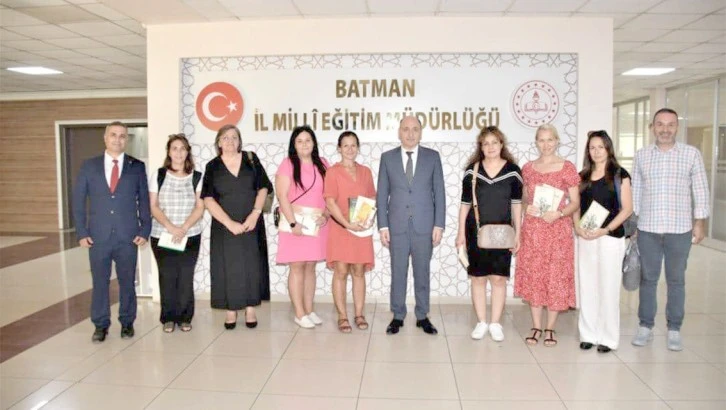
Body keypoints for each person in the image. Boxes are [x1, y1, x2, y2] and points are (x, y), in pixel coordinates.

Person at [631, 108, 710, 352]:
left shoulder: (691, 154)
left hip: (680, 229)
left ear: (677, 127)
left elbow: (700, 189)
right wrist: (634, 224)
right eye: (660, 124)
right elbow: (636, 191)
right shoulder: (642, 155)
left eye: (670, 124)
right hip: (648, 229)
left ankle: (674, 328)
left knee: (676, 280)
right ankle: (645, 326)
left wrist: (700, 222)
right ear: (652, 127)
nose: (665, 129)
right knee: (648, 279)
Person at [73, 121, 151, 343]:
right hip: (98, 236)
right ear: (105, 138)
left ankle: (127, 322)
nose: (118, 139)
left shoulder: (136, 167)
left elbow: (144, 200)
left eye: (122, 136)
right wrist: (81, 232)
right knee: (100, 282)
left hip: (128, 235)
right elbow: (78, 201)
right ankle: (100, 324)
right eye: (113, 135)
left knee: (127, 282)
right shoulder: (89, 166)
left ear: (127, 139)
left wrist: (144, 229)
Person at [377, 115, 446, 335]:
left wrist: (439, 224)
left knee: (422, 272)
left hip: (424, 226)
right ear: (399, 132)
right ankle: (397, 315)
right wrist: (383, 226)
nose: (410, 133)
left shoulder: (432, 157)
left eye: (415, 129)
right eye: (406, 129)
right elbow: (382, 194)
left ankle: (422, 315)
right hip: (396, 226)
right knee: (398, 272)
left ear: (421, 132)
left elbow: (440, 193)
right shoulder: (387, 158)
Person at [514, 124, 580, 347]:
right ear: (536, 142)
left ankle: (550, 327)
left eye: (550, 139)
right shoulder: (528, 168)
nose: (546, 144)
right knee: (535, 276)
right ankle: (535, 326)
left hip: (558, 231)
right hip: (533, 231)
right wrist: (528, 208)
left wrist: (559, 213)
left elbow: (575, 202)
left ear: (557, 141)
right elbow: (524, 199)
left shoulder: (567, 167)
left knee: (555, 278)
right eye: (541, 140)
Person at [201, 124, 272, 330]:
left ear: (239, 141)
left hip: (251, 222)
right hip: (224, 225)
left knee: (252, 264)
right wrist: (229, 223)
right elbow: (208, 199)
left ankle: (250, 308)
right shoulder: (212, 166)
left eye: (234, 137)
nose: (230, 141)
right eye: (225, 137)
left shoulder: (251, 159)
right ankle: (231, 309)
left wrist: (255, 214)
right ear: (218, 142)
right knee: (228, 267)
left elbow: (263, 187)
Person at [455, 126, 522, 341]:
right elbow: (465, 204)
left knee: (499, 279)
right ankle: (482, 322)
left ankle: (495, 324)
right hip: (475, 232)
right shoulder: (472, 171)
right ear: (481, 147)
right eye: (486, 143)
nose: (491, 147)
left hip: (504, 232)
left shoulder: (513, 171)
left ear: (501, 144)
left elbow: (517, 204)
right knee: (478, 278)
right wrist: (460, 233)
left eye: (494, 142)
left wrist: (519, 233)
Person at [574, 130, 633, 353]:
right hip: (587, 237)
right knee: (587, 286)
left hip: (610, 237)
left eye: (600, 147)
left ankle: (608, 338)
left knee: (608, 287)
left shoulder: (619, 175)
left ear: (608, 148)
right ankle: (588, 334)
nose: (596, 151)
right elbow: (576, 206)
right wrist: (577, 227)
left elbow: (627, 209)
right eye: (592, 147)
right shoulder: (582, 176)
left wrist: (606, 229)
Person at [148, 134, 205, 333]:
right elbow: (153, 206)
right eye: (175, 148)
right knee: (167, 276)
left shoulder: (197, 176)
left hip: (190, 235)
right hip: (162, 234)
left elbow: (200, 207)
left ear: (187, 152)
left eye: (182, 148)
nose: (179, 152)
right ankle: (168, 318)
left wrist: (184, 228)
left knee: (185, 277)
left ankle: (185, 317)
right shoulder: (159, 175)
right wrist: (171, 227)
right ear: (169, 152)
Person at [275, 125, 330, 329]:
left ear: (314, 143)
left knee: (311, 266)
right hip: (295, 224)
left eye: (308, 140)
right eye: (299, 141)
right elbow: (282, 196)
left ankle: (309, 309)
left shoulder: (323, 164)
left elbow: (330, 194)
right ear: (294, 145)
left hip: (317, 224)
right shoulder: (287, 164)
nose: (304, 144)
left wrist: (326, 215)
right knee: (297, 266)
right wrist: (292, 223)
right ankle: (299, 313)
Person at [324, 131, 376, 333]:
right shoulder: (332, 172)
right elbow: (330, 202)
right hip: (340, 227)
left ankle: (359, 314)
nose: (350, 149)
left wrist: (367, 220)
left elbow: (372, 198)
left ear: (358, 148)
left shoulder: (366, 172)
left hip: (361, 230)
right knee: (341, 271)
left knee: (359, 271)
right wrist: (347, 224)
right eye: (345, 145)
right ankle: (342, 316)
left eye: (353, 145)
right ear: (339, 148)